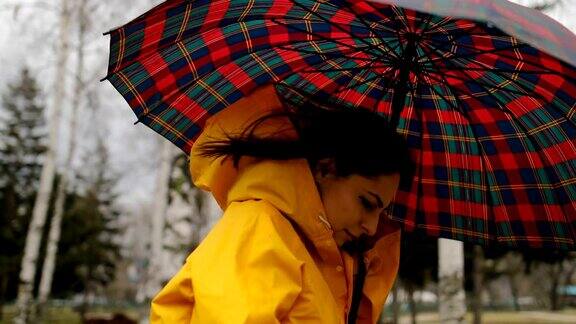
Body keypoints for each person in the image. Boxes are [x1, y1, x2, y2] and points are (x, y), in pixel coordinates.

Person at [150, 84, 415, 324]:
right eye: (367, 203)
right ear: (326, 169)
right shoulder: (259, 228)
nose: (371, 227)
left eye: (381, 212)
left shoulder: (325, 256)